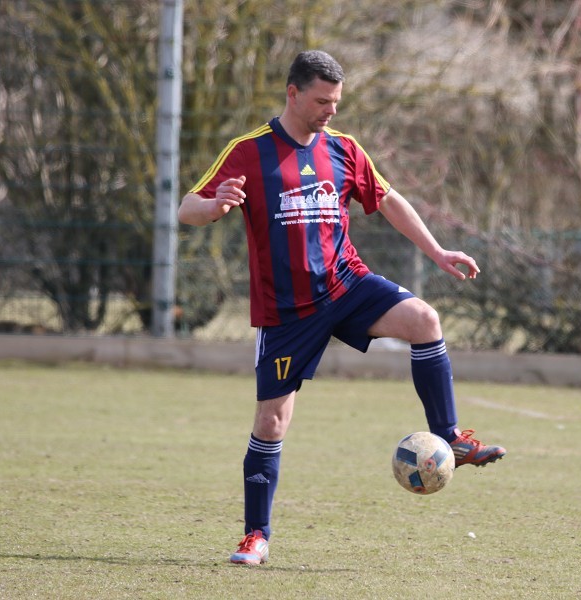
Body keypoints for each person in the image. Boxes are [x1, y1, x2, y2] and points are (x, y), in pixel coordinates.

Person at [178, 50, 506, 566]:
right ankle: (256, 536)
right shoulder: (250, 150)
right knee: (271, 423)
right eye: (321, 101)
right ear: (292, 93)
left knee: (424, 320)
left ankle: (450, 437)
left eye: (335, 102)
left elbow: (389, 199)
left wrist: (437, 251)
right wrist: (215, 204)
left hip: (346, 285)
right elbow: (186, 208)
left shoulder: (344, 148)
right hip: (287, 310)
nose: (330, 111)